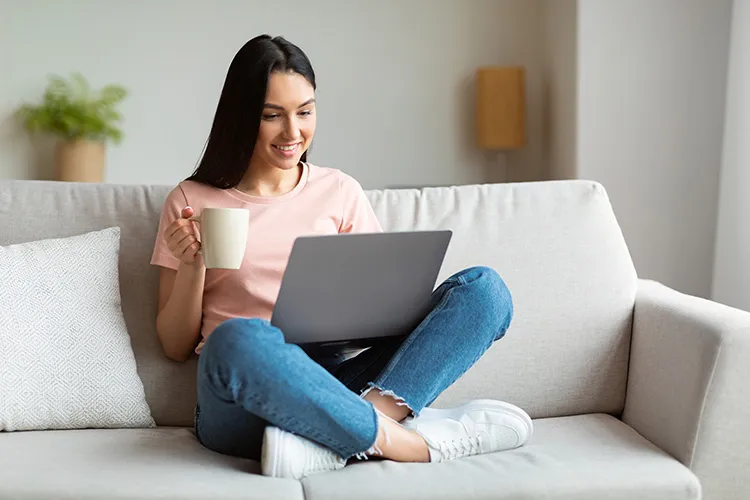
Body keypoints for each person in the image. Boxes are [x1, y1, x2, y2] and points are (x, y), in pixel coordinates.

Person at [151, 34, 532, 480]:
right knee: (238, 337)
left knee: (485, 290)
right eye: (272, 115)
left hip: (340, 380)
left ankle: (343, 434)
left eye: (305, 112)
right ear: (241, 116)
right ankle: (398, 442)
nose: (293, 133)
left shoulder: (339, 190)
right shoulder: (191, 200)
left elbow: (384, 311)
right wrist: (195, 263)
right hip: (242, 398)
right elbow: (175, 347)